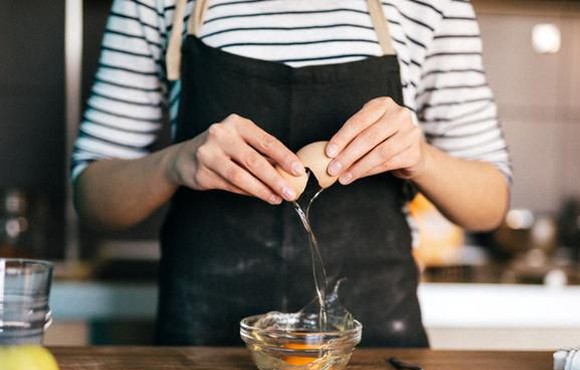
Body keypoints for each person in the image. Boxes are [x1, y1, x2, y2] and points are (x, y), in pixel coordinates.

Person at [72, 0, 511, 347]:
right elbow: (93, 200)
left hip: (373, 353)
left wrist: (421, 158)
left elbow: (489, 205)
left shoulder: (430, 4)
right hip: (200, 352)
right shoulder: (159, 4)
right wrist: (175, 163)